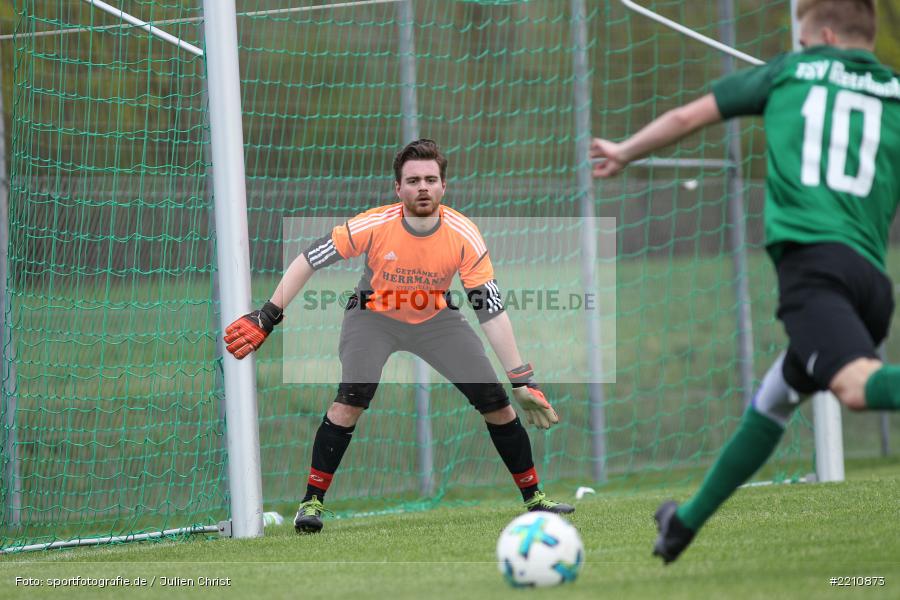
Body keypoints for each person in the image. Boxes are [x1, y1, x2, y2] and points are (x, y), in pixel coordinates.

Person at [591, 0, 900, 563]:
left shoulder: (788, 70)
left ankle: (683, 524)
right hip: (872, 283)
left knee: (856, 388)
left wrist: (625, 152)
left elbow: (688, 117)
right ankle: (681, 526)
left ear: (823, 33)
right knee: (775, 397)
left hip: (815, 272)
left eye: (805, 41)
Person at [223, 138, 574, 533]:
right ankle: (312, 503)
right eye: (412, 181)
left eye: (430, 179)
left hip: (436, 320)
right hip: (372, 317)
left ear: (443, 186)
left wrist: (521, 378)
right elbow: (309, 258)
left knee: (495, 401)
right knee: (352, 398)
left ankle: (535, 499)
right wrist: (268, 315)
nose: (422, 187)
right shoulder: (374, 224)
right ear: (398, 189)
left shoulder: (465, 234)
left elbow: (489, 309)